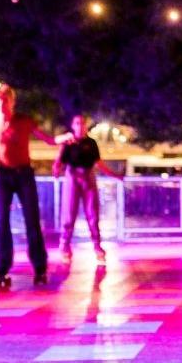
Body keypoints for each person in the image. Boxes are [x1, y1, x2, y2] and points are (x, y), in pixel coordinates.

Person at [0, 82, 75, 288]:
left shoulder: (24, 121)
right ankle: (2, 268)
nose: (1, 103)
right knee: (2, 221)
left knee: (32, 221)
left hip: (24, 174)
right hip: (3, 175)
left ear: (12, 101)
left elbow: (48, 139)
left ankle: (39, 268)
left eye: (5, 99)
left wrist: (62, 138)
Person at [53, 114, 122, 266]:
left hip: (88, 177)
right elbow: (59, 160)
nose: (80, 126)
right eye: (77, 123)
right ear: (73, 125)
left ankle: (97, 247)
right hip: (72, 177)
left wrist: (115, 175)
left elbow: (99, 163)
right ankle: (65, 247)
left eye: (83, 123)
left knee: (93, 214)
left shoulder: (91, 143)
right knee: (69, 215)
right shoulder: (68, 143)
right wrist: (56, 169)